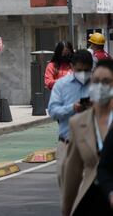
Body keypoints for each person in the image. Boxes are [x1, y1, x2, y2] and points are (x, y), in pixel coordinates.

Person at [62, 60, 113, 216]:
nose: (100, 86)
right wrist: (66, 210)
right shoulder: (78, 123)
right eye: (96, 81)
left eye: (106, 81)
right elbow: (73, 172)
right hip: (90, 200)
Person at [48, 49, 93, 191]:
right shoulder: (61, 85)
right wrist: (72, 108)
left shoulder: (99, 85)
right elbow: (53, 112)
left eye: (87, 70)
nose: (83, 74)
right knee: (67, 192)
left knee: (91, 194)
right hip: (67, 144)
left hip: (93, 146)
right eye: (79, 70)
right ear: (72, 67)